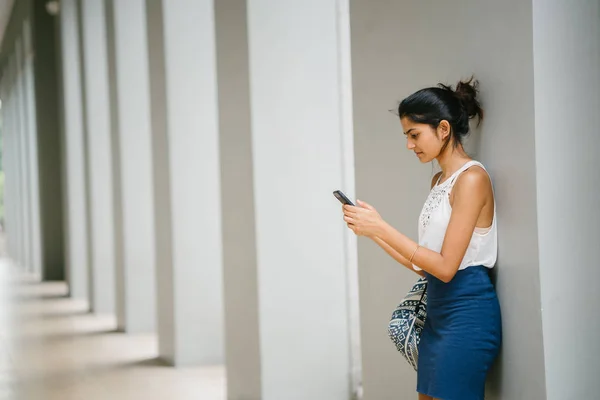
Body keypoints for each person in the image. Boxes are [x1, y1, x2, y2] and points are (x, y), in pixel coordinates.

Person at [342, 77, 502, 400]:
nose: (409, 145)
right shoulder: (438, 182)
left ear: (443, 130)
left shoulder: (472, 179)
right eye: (407, 136)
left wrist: (382, 227)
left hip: (467, 317)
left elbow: (445, 268)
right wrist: (373, 232)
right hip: (437, 315)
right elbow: (424, 266)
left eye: (414, 135)